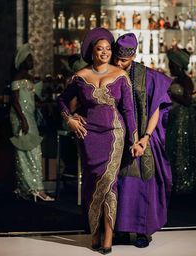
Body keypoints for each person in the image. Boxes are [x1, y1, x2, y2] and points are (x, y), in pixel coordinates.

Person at [57, 27, 142, 254]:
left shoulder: (120, 75)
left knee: (109, 184)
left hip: (115, 134)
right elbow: (62, 101)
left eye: (107, 48)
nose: (104, 52)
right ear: (91, 52)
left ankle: (107, 238)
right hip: (88, 136)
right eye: (99, 49)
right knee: (92, 183)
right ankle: (93, 231)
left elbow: (128, 110)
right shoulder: (80, 77)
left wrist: (134, 140)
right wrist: (70, 120)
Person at [113, 33, 172, 248]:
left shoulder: (149, 77)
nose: (119, 63)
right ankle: (119, 229)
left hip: (144, 137)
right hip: (119, 137)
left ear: (134, 55)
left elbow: (156, 108)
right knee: (119, 182)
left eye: (124, 60)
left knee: (143, 182)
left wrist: (146, 137)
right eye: (117, 59)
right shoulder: (110, 73)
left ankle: (142, 231)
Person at [10, 43, 54, 202]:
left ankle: (30, 188)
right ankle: (34, 188)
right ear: (22, 62)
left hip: (29, 115)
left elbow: (33, 98)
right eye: (29, 60)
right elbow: (15, 102)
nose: (32, 63)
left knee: (33, 151)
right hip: (21, 117)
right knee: (26, 152)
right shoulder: (17, 78)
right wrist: (22, 120)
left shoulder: (28, 78)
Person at [166, 47, 196, 194]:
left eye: (171, 64)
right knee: (173, 149)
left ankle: (183, 183)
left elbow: (187, 101)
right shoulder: (176, 80)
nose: (169, 67)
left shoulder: (186, 81)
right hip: (174, 118)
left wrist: (171, 95)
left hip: (182, 118)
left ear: (178, 65)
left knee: (181, 149)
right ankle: (174, 182)